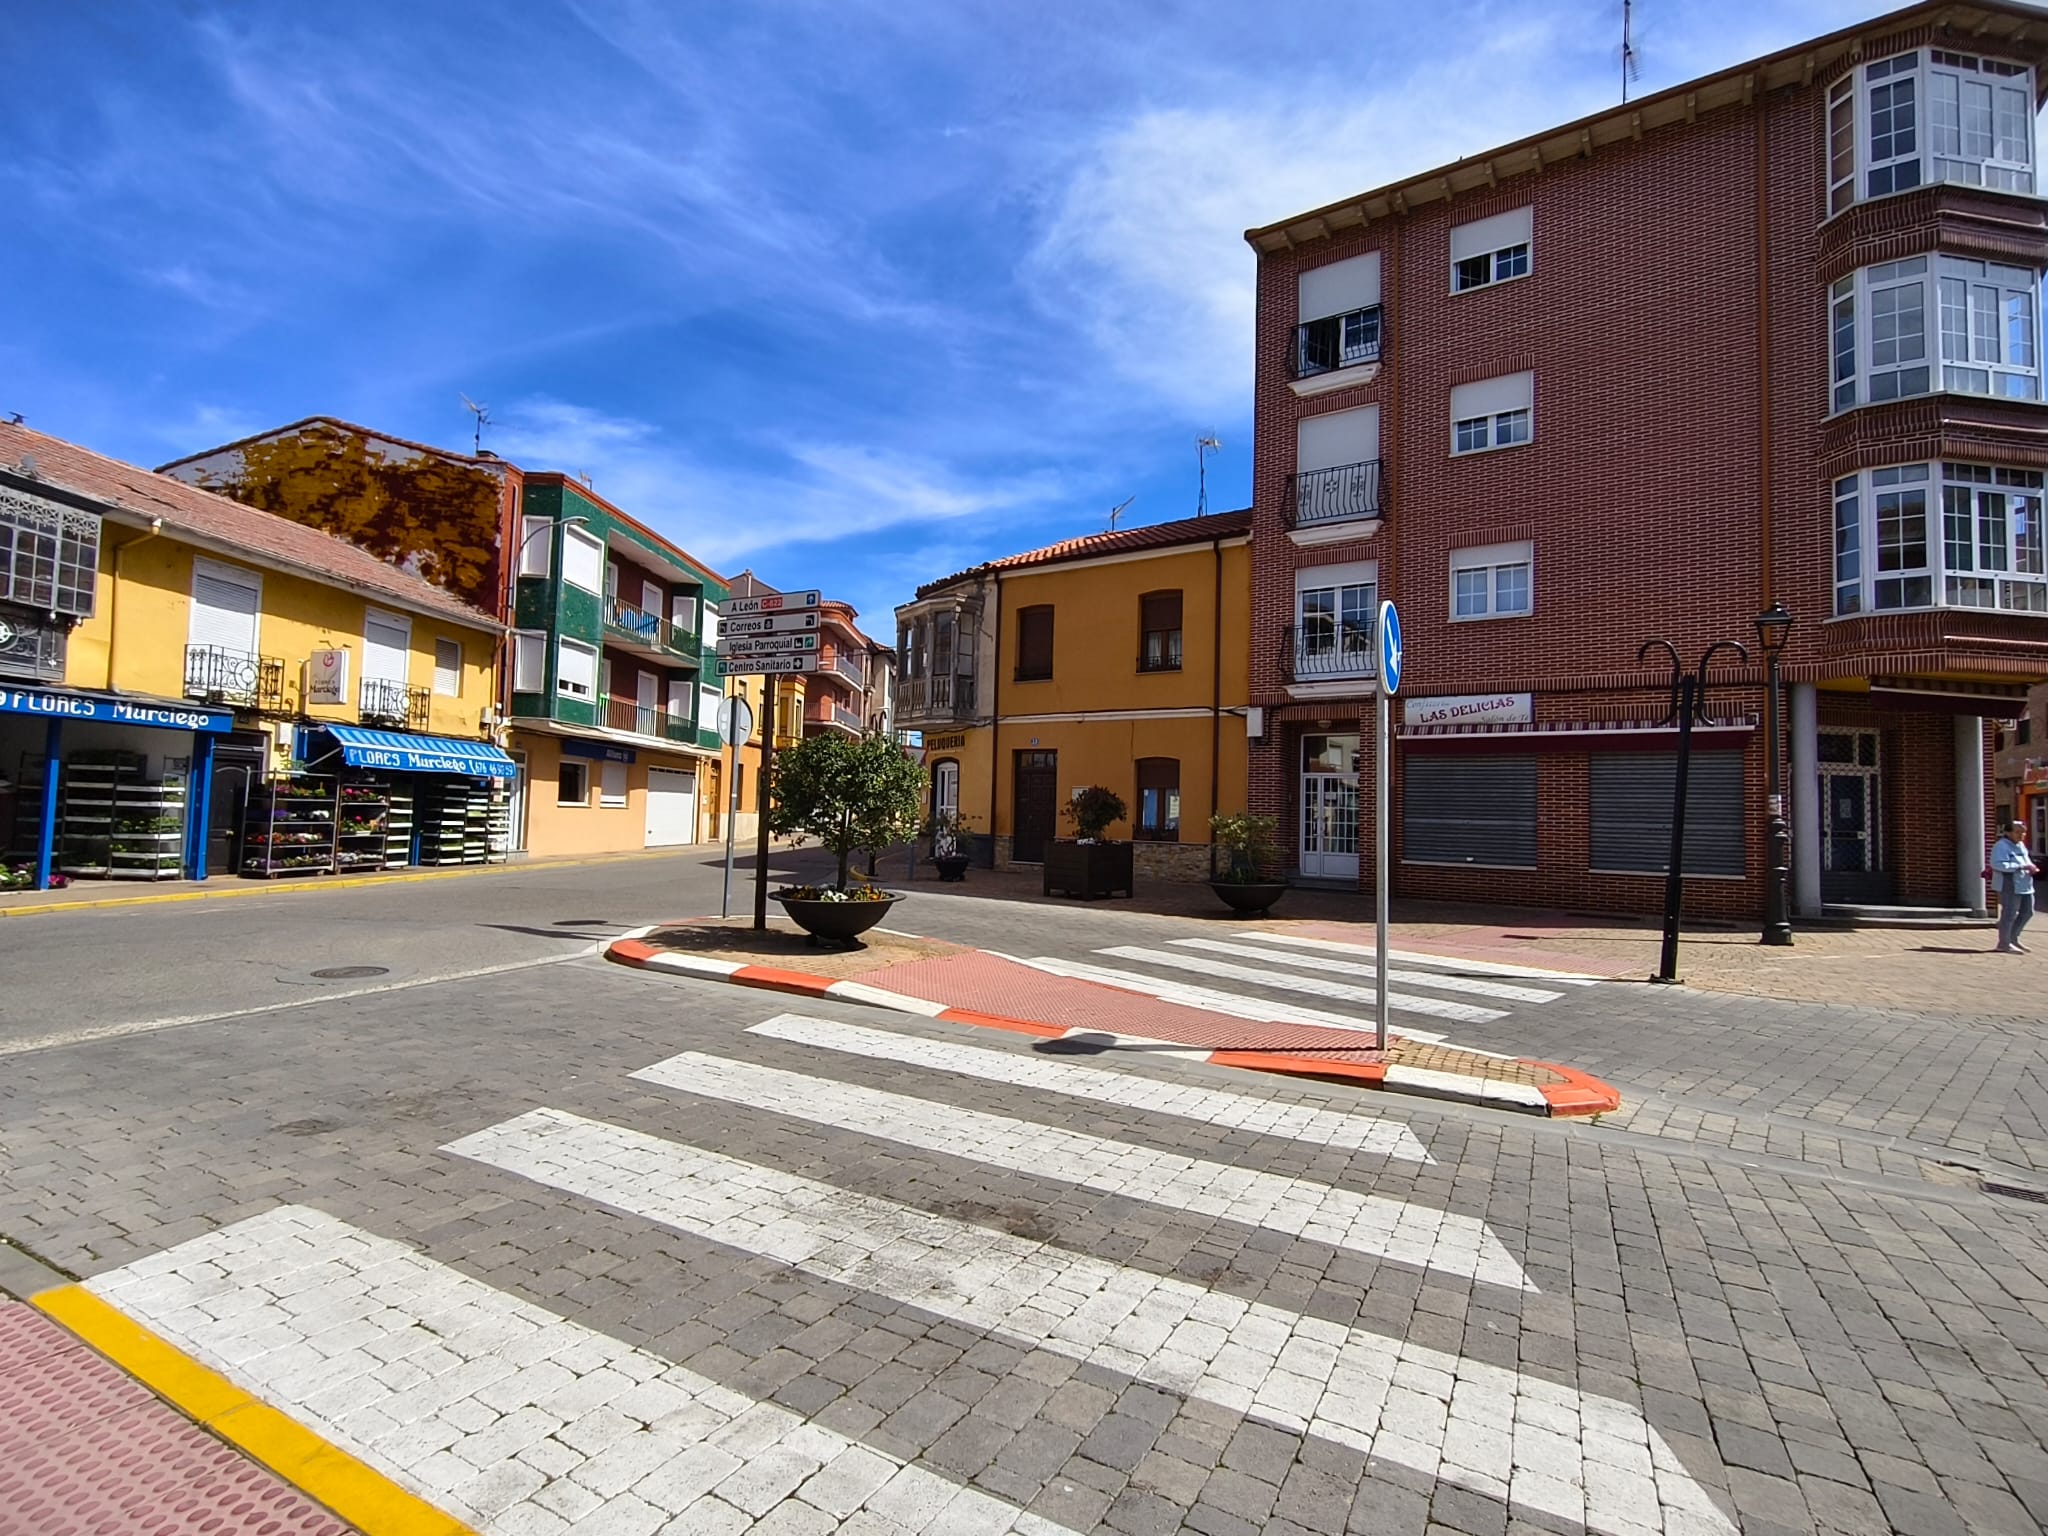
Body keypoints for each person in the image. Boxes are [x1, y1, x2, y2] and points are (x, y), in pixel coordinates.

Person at [1990, 820, 2039, 954]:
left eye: (2023, 832)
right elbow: (1997, 864)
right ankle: (2004, 943)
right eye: (2018, 832)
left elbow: (2025, 860)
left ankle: (2013, 938)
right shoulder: (2001, 846)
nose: (2021, 835)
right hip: (2009, 884)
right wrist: (2020, 867)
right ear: (2008, 832)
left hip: (2025, 884)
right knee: (2009, 914)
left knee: (2027, 912)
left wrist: (2032, 867)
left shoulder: (2021, 845)